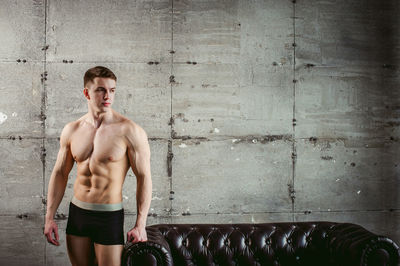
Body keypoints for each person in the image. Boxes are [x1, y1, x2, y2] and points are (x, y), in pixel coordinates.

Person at [43, 66, 152, 266]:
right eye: (101, 90)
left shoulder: (130, 131)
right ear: (86, 92)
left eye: (112, 90)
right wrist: (49, 217)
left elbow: (144, 177)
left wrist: (141, 224)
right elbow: (60, 173)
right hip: (78, 213)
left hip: (108, 216)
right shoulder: (72, 129)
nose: (107, 96)